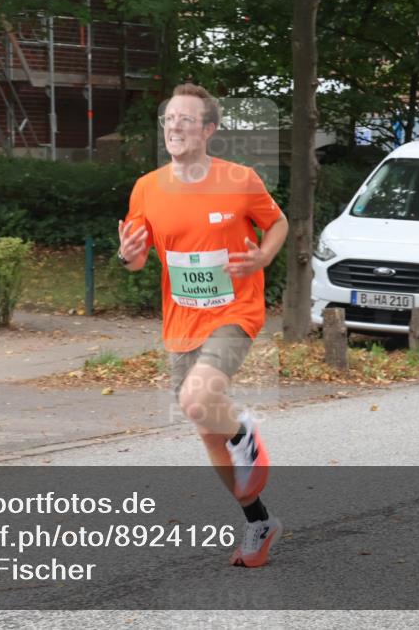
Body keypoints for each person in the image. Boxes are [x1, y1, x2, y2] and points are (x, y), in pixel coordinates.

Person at [117, 83, 289, 567]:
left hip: (235, 311)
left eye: (186, 119)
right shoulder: (147, 188)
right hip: (182, 320)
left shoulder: (239, 180)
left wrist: (262, 257)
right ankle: (258, 521)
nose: (174, 126)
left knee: (198, 400)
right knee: (207, 428)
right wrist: (127, 255)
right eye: (169, 118)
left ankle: (246, 431)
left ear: (209, 129)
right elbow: (136, 258)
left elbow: (278, 223)